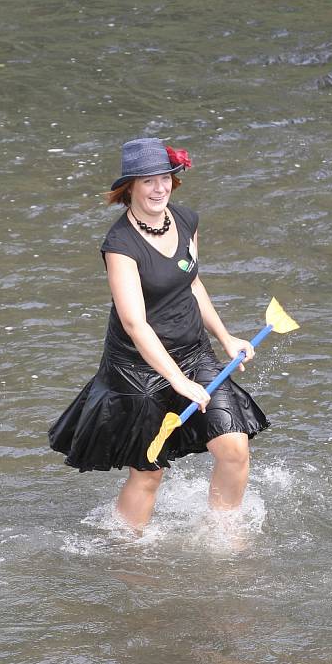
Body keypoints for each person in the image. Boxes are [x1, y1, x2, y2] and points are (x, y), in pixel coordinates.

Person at [49, 137, 270, 532]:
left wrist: (225, 337)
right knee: (149, 472)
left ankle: (224, 536)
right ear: (129, 187)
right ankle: (127, 550)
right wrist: (178, 381)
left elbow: (193, 283)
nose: (159, 188)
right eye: (148, 181)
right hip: (137, 368)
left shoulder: (186, 221)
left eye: (165, 178)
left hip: (193, 353)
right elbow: (135, 324)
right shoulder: (119, 245)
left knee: (234, 448)